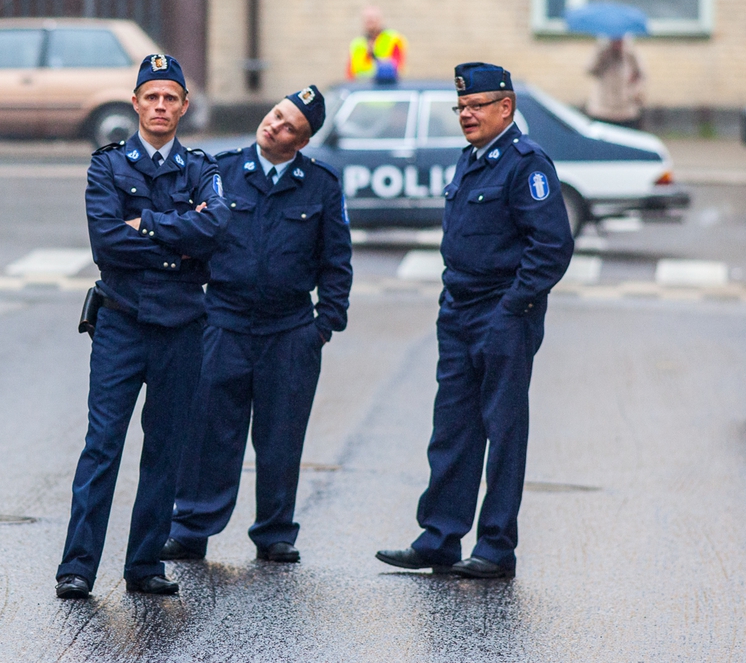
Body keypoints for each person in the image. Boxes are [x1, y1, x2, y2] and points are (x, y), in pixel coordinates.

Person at [376, 62, 574, 579]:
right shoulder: (472, 160)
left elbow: (551, 247)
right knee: (452, 428)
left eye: (476, 106)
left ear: (505, 107)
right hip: (459, 312)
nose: (466, 115)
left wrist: (512, 308)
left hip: (503, 313)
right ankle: (440, 537)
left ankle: (495, 548)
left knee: (502, 431)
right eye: (461, 107)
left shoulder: (526, 164)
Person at [55, 54, 230, 599]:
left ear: (183, 106)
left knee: (166, 447)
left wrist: (149, 224)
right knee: (102, 444)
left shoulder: (203, 168)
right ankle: (78, 566)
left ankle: (144, 564)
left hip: (181, 328)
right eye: (150, 96)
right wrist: (180, 240)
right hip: (122, 324)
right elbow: (107, 242)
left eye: (169, 98)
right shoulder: (107, 166)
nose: (159, 106)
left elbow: (217, 228)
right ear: (135, 104)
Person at [160, 87, 352, 565]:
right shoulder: (221, 173)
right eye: (275, 115)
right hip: (222, 320)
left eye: (289, 126)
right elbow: (188, 238)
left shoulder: (321, 186)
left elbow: (337, 262)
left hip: (288, 329)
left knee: (281, 434)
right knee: (208, 430)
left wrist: (324, 325)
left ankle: (275, 532)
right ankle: (191, 528)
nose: (274, 126)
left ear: (301, 143)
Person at [585, 37, 646, 129]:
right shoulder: (602, 52)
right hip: (602, 110)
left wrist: (635, 92)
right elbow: (591, 70)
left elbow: (640, 75)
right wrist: (604, 52)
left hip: (626, 111)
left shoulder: (630, 52)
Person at [347, 6, 407, 81]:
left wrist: (374, 56)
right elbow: (350, 73)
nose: (369, 21)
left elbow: (397, 66)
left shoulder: (393, 39)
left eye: (372, 18)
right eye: (367, 19)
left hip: (385, 88)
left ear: (380, 20)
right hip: (362, 89)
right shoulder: (357, 43)